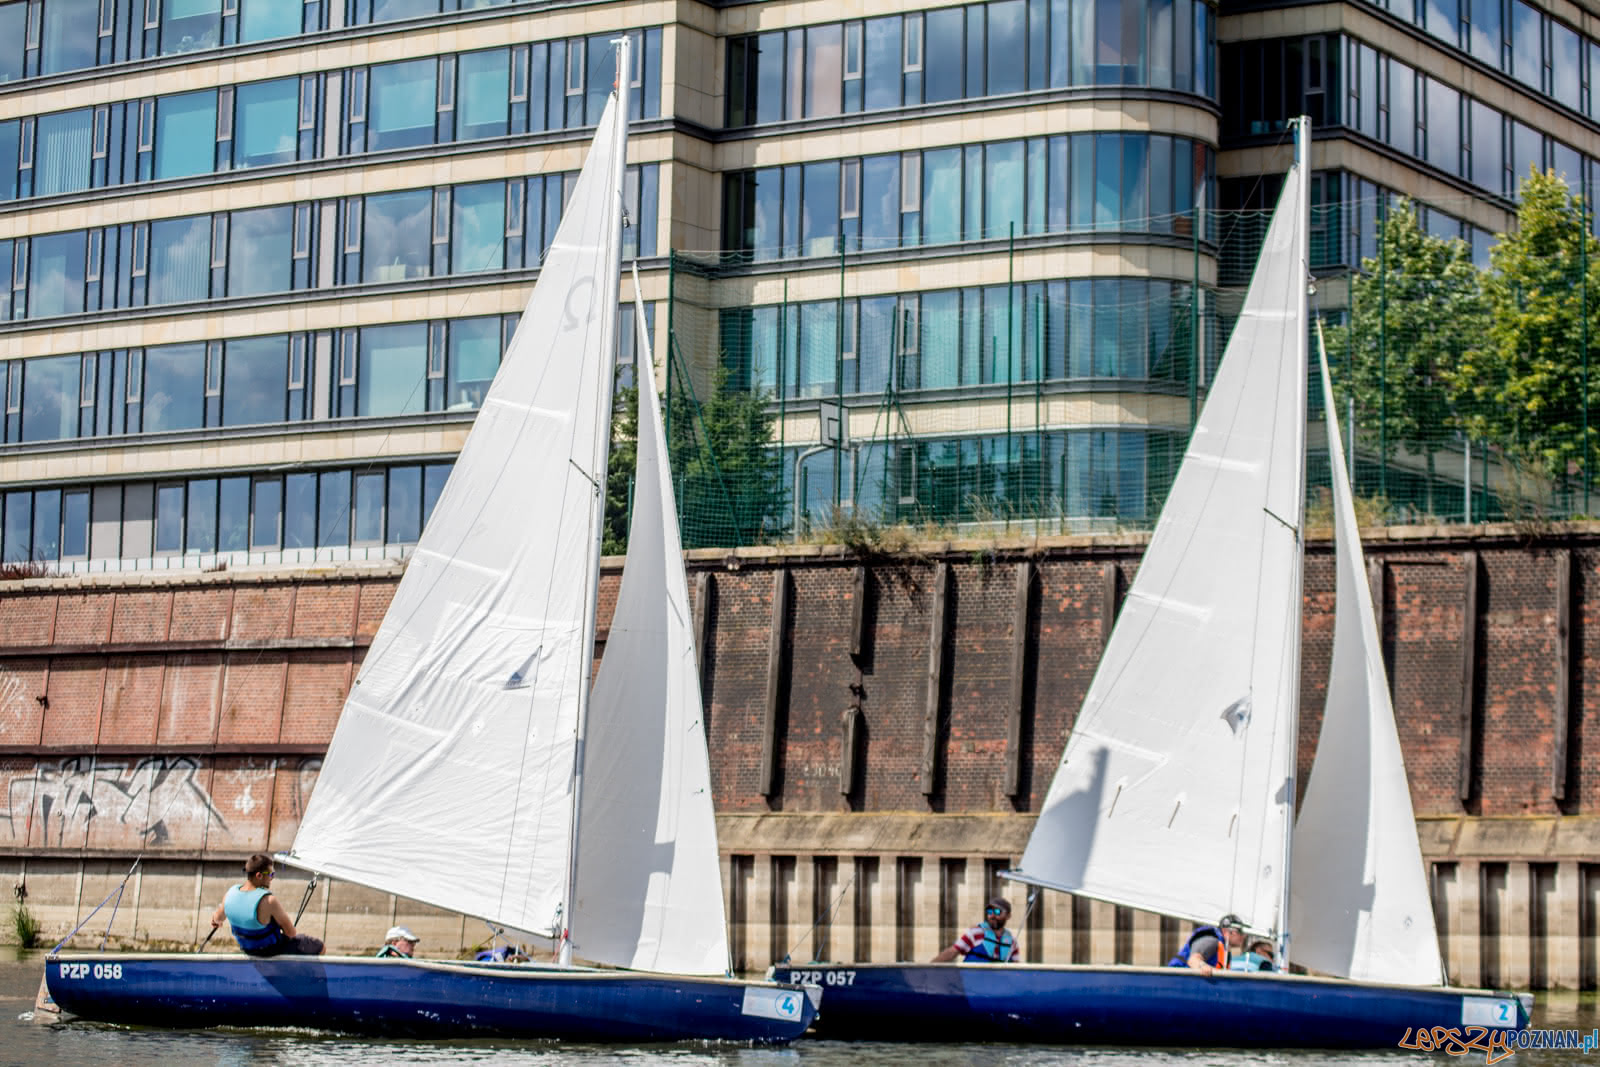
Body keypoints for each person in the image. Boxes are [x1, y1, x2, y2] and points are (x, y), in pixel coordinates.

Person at [210, 853, 324, 958]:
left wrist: (215, 920)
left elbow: (217, 919)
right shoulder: (268, 901)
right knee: (320, 947)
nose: (272, 878)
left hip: (248, 950)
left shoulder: (230, 894)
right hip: (271, 951)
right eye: (271, 874)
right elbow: (291, 933)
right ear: (259, 875)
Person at [932, 896, 1018, 963]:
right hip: (971, 983)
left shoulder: (1012, 942)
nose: (992, 916)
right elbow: (952, 952)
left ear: (1008, 916)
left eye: (997, 912)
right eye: (989, 912)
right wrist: (928, 968)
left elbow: (1016, 967)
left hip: (997, 984)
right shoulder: (975, 933)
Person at [1167, 913, 1246, 975]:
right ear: (1226, 931)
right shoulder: (1211, 941)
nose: (1243, 936)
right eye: (1239, 932)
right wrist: (1203, 967)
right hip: (1178, 981)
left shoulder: (1225, 951)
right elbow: (1193, 960)